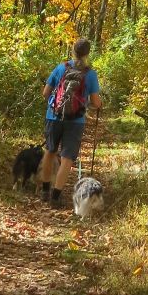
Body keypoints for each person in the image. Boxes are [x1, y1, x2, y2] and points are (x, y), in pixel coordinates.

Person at [39, 37, 101, 208]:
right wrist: (97, 104)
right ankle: (56, 196)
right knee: (67, 159)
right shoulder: (90, 74)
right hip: (76, 120)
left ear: (73, 51)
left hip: (54, 116)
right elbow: (96, 103)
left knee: (50, 152)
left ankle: (45, 191)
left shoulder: (61, 68)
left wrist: (55, 103)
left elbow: (45, 93)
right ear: (88, 54)